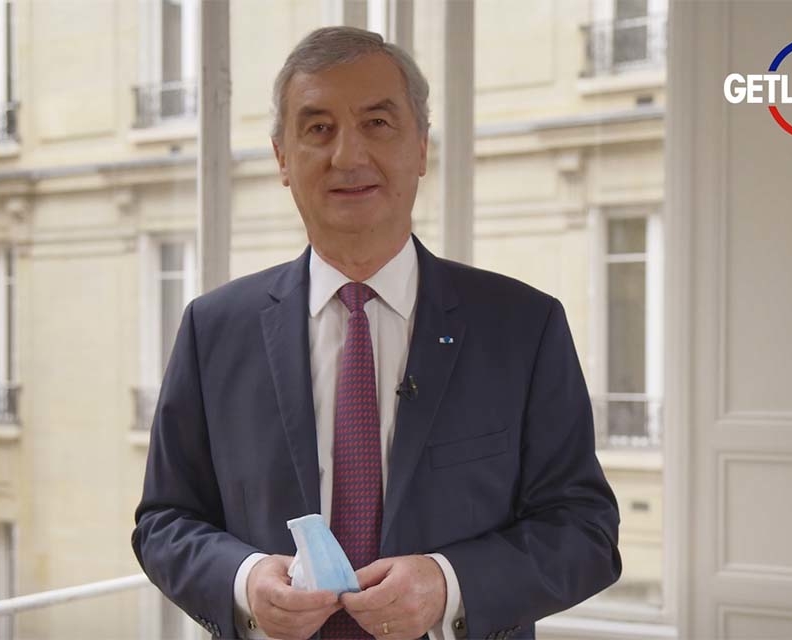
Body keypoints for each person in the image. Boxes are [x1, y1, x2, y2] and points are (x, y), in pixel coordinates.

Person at [132, 26, 621, 640]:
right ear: (282, 158)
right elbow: (165, 521)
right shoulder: (213, 330)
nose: (348, 156)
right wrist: (245, 580)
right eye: (318, 128)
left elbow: (585, 530)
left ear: (421, 148)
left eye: (378, 123)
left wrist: (449, 584)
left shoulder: (523, 326)